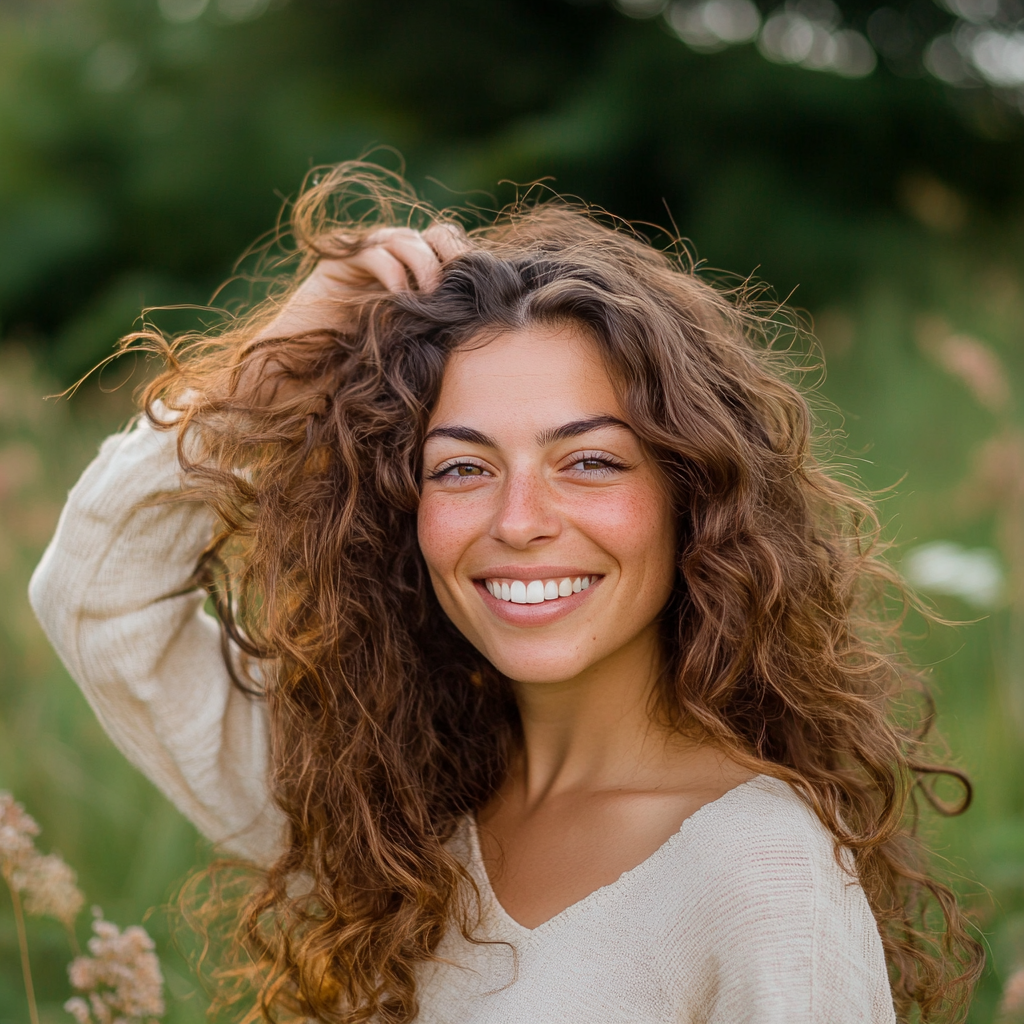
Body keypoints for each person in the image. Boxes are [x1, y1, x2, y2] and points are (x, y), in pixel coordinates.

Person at [30, 163, 981, 1023]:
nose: (520, 519)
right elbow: (96, 593)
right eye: (460, 469)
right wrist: (279, 357)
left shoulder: (764, 878)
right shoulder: (386, 805)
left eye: (592, 461)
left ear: (691, 496)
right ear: (403, 515)